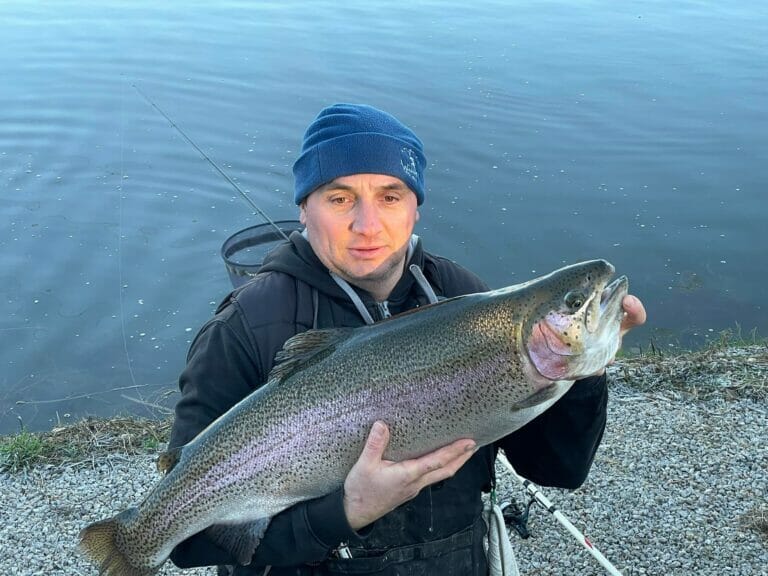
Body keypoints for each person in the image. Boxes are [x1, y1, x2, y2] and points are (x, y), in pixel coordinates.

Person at [168, 103, 647, 575]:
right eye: (339, 199)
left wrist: (586, 372)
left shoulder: (461, 296)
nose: (367, 225)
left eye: (390, 197)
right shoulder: (243, 329)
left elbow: (557, 470)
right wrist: (345, 512)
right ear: (303, 209)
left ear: (416, 207)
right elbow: (187, 543)